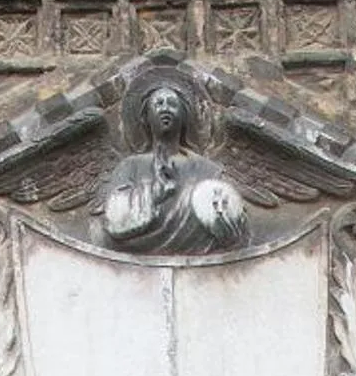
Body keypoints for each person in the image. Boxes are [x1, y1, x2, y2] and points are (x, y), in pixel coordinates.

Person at [101, 76, 248, 254]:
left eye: (172, 103)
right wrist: (155, 192)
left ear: (184, 116)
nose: (165, 108)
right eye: (158, 103)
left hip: (197, 247)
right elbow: (115, 216)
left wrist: (225, 223)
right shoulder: (130, 166)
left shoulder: (206, 169)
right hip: (137, 248)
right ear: (145, 118)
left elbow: (227, 212)